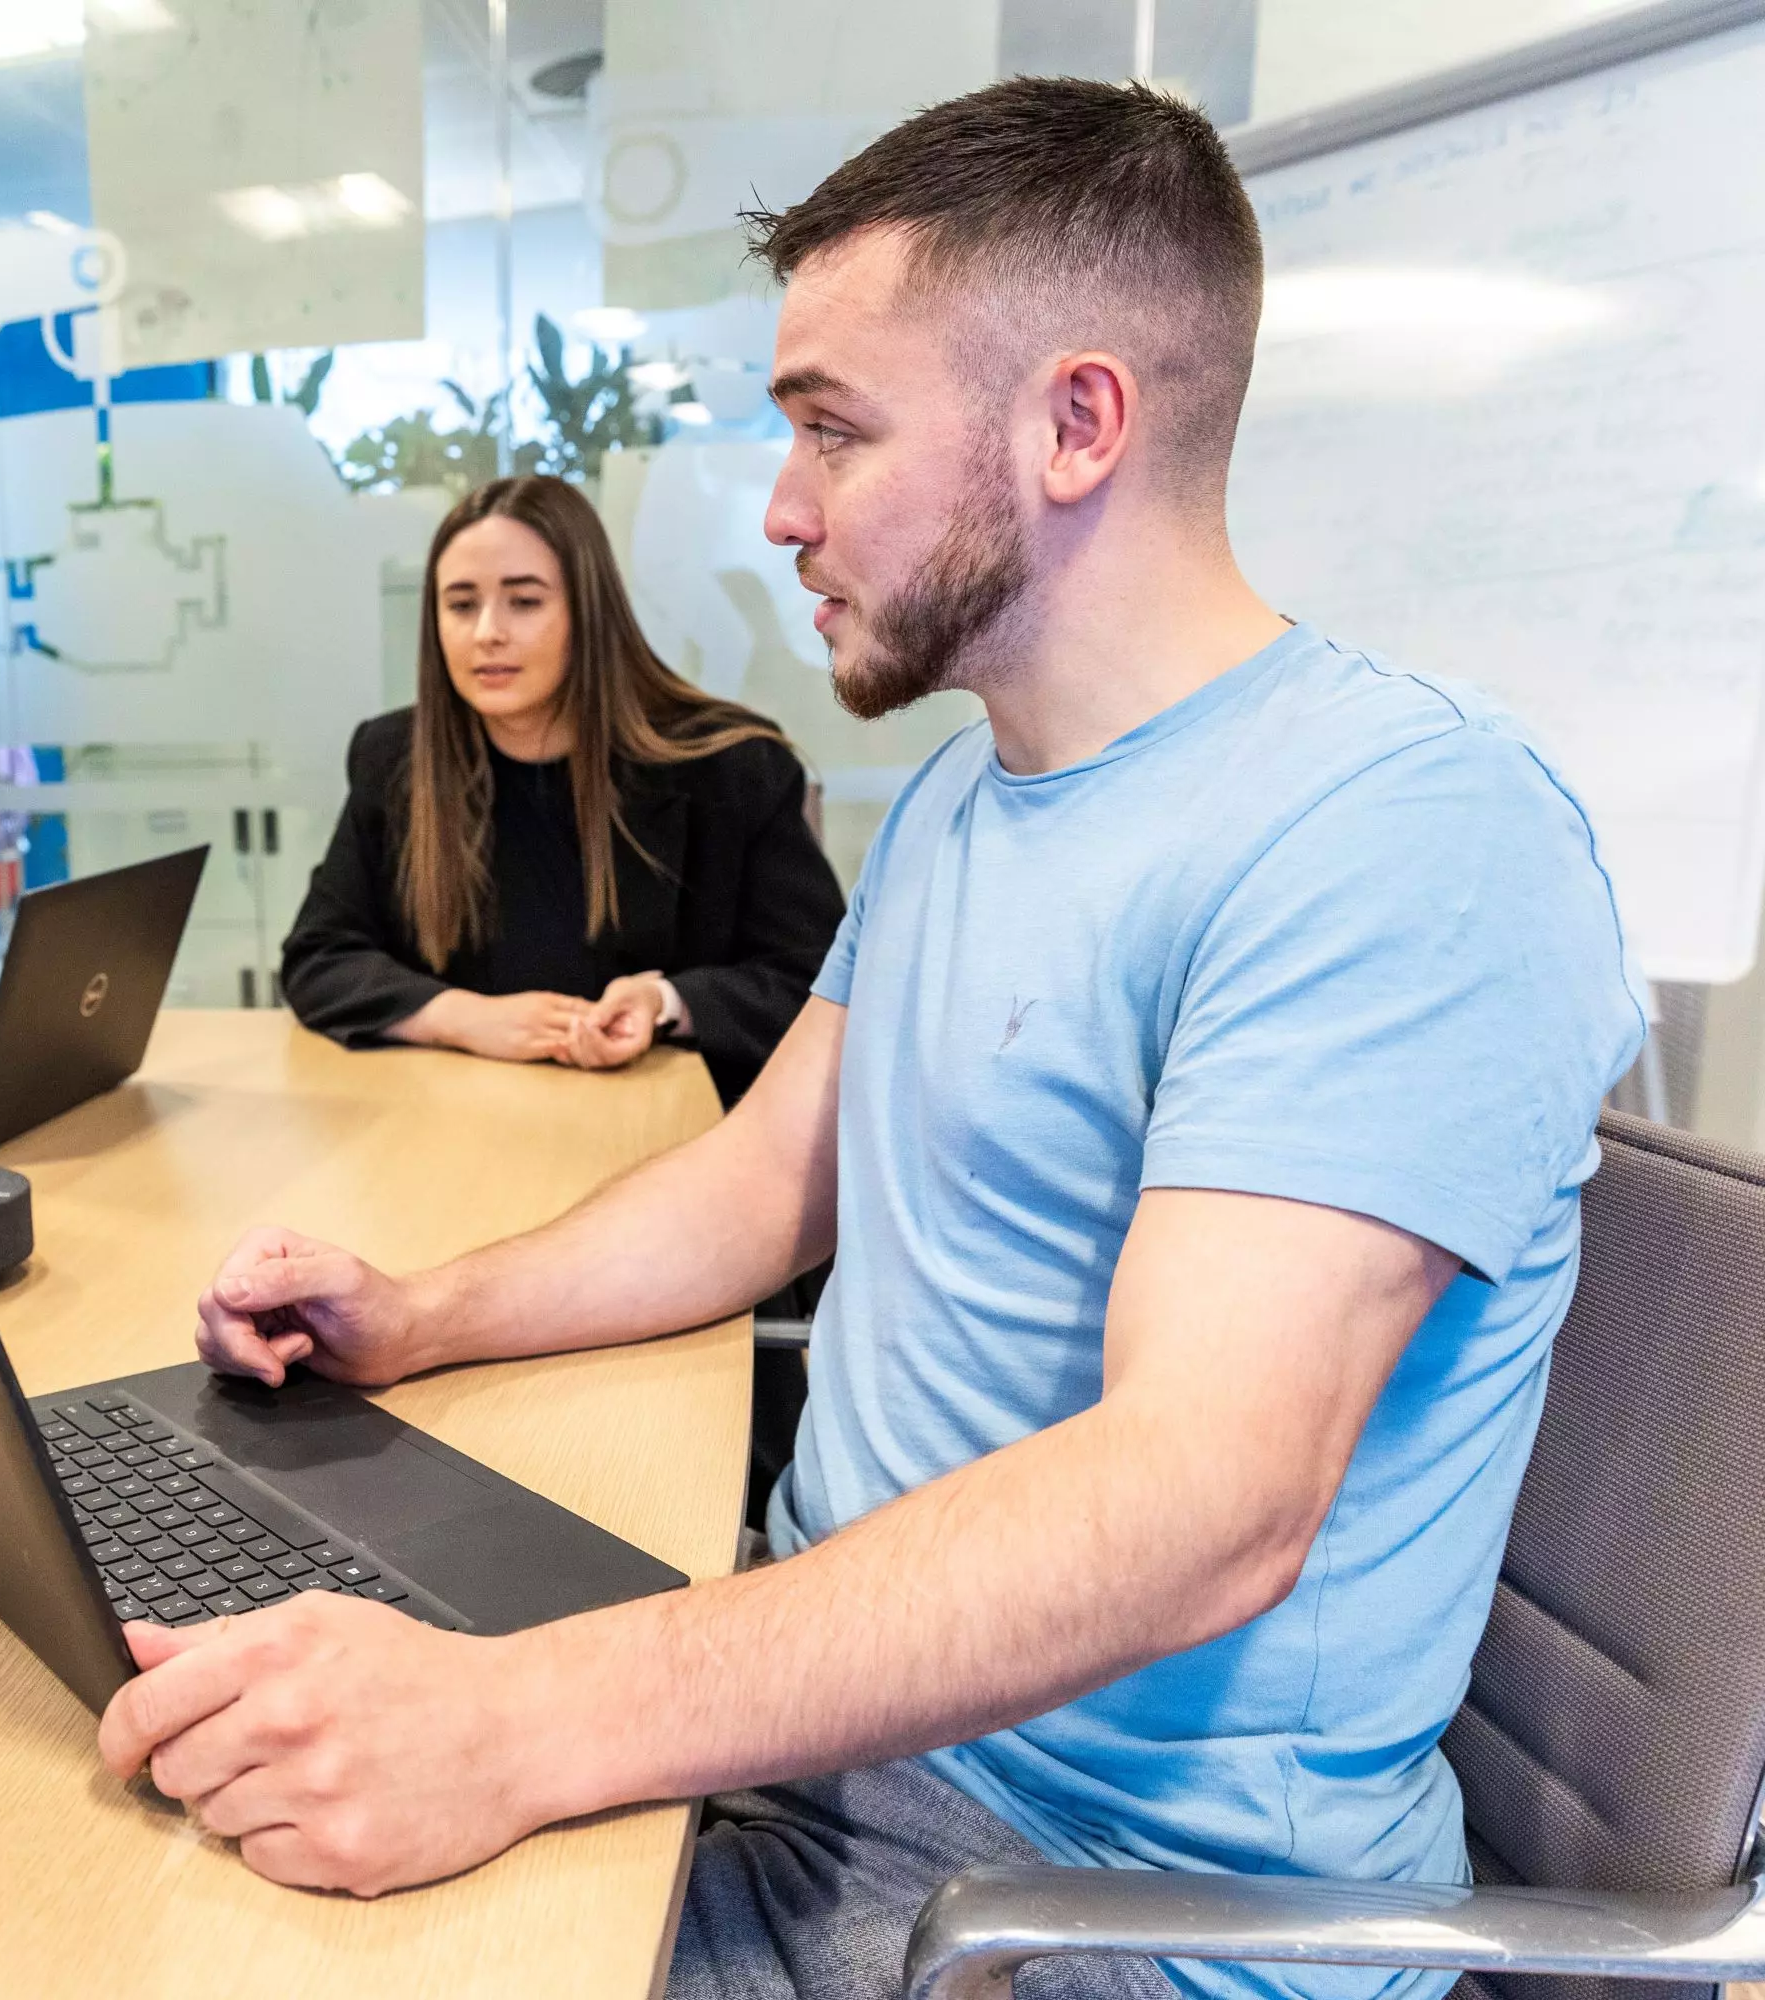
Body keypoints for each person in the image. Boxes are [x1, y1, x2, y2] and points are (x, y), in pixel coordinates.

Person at [94, 79, 1643, 2000]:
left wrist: (523, 1722)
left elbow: (1204, 1505)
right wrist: (417, 1317)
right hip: (816, 1722)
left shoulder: (1401, 831)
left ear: (1077, 423)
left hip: (1097, 1898)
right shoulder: (966, 803)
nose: (778, 506)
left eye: (833, 427)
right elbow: (767, 1183)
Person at [281, 476, 842, 1106]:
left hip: (670, 1125)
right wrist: (459, 1017)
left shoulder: (731, 765)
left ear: (587, 610)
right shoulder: (394, 758)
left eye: (524, 602)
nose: (487, 633)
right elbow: (320, 958)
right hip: (461, 1118)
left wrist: (666, 1004)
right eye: (461, 605)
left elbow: (818, 984)